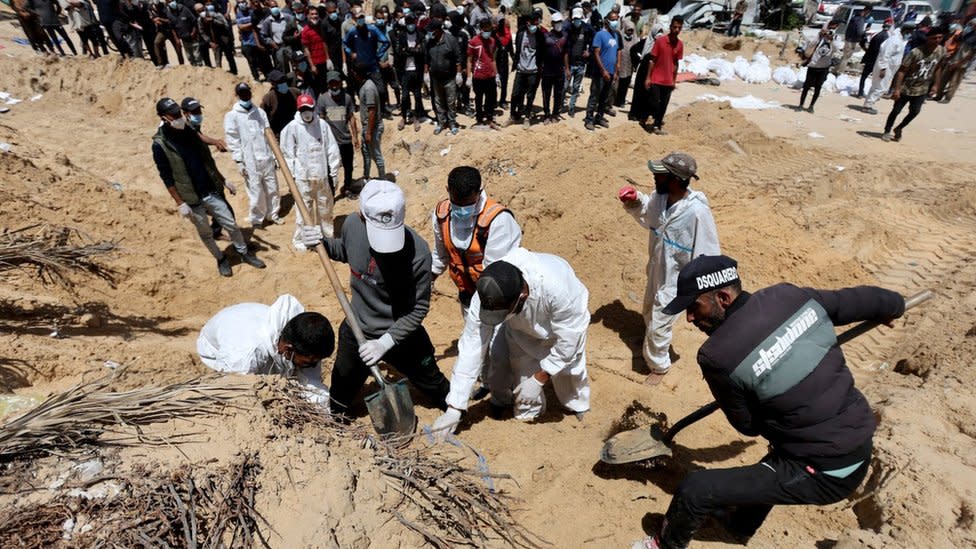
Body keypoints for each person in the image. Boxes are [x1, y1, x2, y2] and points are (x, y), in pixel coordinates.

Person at [631, 254, 906, 549]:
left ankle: (662, 545)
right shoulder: (790, 296)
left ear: (722, 297)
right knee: (773, 464)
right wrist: (893, 307)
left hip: (827, 471)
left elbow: (748, 426)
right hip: (860, 441)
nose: (689, 318)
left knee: (695, 489)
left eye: (694, 307)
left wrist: (754, 394)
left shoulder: (716, 356)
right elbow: (867, 300)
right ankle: (739, 525)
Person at [301, 180, 451, 418]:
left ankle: (454, 407)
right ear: (362, 216)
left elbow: (418, 309)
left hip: (400, 334)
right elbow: (346, 251)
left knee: (436, 385)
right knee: (340, 396)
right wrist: (320, 243)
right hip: (357, 328)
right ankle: (338, 420)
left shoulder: (418, 254)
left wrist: (386, 342)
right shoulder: (352, 225)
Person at [430, 248, 591, 436]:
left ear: (522, 296)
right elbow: (471, 348)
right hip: (521, 332)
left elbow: (569, 341)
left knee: (570, 371)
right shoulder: (486, 292)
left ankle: (577, 405)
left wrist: (540, 377)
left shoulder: (559, 289)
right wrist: (455, 406)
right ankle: (529, 417)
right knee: (523, 381)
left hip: (561, 329)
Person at [617, 152, 720, 384]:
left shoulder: (697, 213)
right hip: (657, 269)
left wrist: (700, 290)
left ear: (674, 179)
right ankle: (650, 343)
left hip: (678, 279)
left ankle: (659, 366)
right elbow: (648, 213)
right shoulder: (661, 198)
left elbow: (708, 252)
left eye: (659, 174)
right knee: (649, 308)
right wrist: (634, 200)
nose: (654, 176)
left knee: (661, 321)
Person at [151, 97, 266, 277]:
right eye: (173, 115)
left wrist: (222, 179)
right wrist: (180, 202)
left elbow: (206, 160)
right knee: (205, 233)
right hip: (190, 198)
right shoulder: (160, 144)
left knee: (231, 224)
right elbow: (166, 177)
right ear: (163, 117)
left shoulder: (187, 130)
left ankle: (243, 253)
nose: (178, 117)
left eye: (178, 113)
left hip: (209, 190)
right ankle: (221, 259)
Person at [197, 294, 333, 405]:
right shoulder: (244, 356)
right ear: (288, 349)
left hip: (250, 318)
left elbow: (313, 386)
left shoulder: (305, 339)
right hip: (217, 344)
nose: (314, 365)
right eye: (308, 363)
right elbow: (237, 391)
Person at [431, 166, 522, 310]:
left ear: (479, 192)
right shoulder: (442, 215)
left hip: (497, 300)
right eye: (457, 203)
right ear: (448, 190)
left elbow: (495, 272)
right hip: (467, 296)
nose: (462, 208)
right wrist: (427, 280)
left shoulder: (498, 220)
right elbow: (441, 255)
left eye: (468, 203)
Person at [280, 93, 341, 249]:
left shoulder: (322, 125)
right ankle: (302, 240)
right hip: (303, 179)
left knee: (325, 209)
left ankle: (327, 237)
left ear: (313, 108)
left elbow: (332, 149)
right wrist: (292, 177)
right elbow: (287, 155)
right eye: (303, 109)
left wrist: (334, 172)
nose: (306, 112)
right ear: (299, 110)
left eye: (309, 108)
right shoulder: (291, 128)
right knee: (304, 212)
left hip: (321, 177)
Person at [224, 82, 284, 228]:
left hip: (266, 157)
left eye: (247, 92)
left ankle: (273, 214)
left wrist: (275, 156)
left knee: (272, 188)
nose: (246, 95)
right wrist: (239, 161)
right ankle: (257, 218)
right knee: (256, 191)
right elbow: (233, 139)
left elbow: (268, 135)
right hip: (249, 161)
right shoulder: (233, 116)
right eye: (242, 93)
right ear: (238, 95)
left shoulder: (260, 113)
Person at [882, 25, 945, 142]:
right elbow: (901, 71)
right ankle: (887, 130)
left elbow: (938, 68)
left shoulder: (941, 51)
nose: (937, 40)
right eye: (934, 38)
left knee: (915, 112)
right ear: (928, 38)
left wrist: (936, 85)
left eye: (940, 38)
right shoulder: (915, 52)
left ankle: (899, 128)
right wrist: (896, 89)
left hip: (922, 88)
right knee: (896, 111)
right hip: (906, 87)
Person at [316, 71, 360, 198]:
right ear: (328, 85)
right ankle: (330, 193)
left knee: (348, 167)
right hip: (330, 143)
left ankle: (347, 188)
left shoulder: (347, 98)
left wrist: (355, 137)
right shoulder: (322, 99)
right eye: (332, 83)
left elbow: (351, 117)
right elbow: (321, 121)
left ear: (341, 83)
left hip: (345, 140)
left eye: (337, 83)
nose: (334, 86)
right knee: (330, 169)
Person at [641, 15, 683, 134]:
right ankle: (644, 118)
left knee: (663, 105)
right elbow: (652, 60)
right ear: (670, 27)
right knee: (653, 102)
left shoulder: (680, 45)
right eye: (674, 27)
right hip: (656, 79)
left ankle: (657, 125)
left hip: (668, 80)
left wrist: (674, 80)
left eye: (679, 28)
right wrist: (648, 77)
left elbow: (676, 63)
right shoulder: (660, 41)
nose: (676, 30)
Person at [584, 11, 621, 132]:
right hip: (600, 73)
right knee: (595, 96)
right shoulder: (600, 35)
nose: (615, 22)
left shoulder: (616, 35)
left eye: (617, 19)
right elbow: (596, 54)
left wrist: (615, 71)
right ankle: (589, 119)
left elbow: (617, 53)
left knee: (604, 98)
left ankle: (599, 117)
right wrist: (603, 71)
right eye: (613, 19)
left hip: (611, 72)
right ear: (607, 21)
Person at [507, 10, 545, 128]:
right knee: (515, 94)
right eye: (532, 23)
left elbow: (542, 53)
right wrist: (515, 62)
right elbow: (517, 50)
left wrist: (540, 67)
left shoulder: (540, 35)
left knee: (530, 95)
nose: (534, 26)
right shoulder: (521, 32)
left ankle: (527, 117)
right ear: (528, 22)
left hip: (533, 71)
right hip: (520, 69)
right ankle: (513, 116)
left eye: (536, 23)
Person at [425, 19, 462, 135]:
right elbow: (427, 60)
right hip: (435, 78)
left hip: (449, 77)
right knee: (438, 102)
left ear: (437, 30)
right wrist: (426, 73)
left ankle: (452, 123)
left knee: (451, 102)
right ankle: (441, 123)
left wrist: (459, 74)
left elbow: (458, 59)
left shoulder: (451, 40)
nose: (430, 33)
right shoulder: (430, 43)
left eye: (431, 31)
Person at [863, 22, 908, 114]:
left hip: (889, 68)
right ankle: (868, 106)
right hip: (885, 68)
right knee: (881, 88)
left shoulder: (898, 39)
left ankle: (868, 104)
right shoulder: (894, 40)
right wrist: (883, 68)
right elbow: (885, 55)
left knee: (877, 86)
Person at [394, 13, 427, 131]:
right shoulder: (401, 36)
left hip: (417, 70)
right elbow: (399, 51)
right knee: (405, 96)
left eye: (412, 23)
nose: (411, 25)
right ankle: (404, 117)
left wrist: (407, 50)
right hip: (404, 70)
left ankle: (416, 118)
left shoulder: (420, 35)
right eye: (409, 23)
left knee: (418, 96)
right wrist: (414, 50)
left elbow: (422, 51)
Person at [352, 64, 385, 179]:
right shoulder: (365, 85)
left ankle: (382, 179)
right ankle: (366, 177)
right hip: (368, 127)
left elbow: (372, 111)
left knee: (376, 155)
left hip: (373, 127)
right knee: (366, 153)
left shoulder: (368, 88)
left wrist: (369, 132)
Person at [468, 17, 500, 128]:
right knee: (479, 98)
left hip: (490, 75)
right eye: (485, 29)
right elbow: (469, 60)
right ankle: (479, 119)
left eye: (489, 29)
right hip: (478, 75)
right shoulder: (474, 41)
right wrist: (468, 76)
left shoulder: (492, 41)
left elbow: (493, 58)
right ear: (481, 29)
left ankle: (490, 117)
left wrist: (496, 74)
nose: (487, 31)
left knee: (490, 98)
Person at [799, 26, 835, 114]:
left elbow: (837, 47)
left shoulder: (833, 43)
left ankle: (811, 106)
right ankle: (801, 104)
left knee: (818, 88)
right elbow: (810, 45)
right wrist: (819, 36)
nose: (827, 35)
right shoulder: (819, 40)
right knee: (806, 87)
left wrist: (832, 39)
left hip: (824, 68)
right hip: (813, 67)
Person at [564, 7, 593, 117]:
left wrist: (589, 51)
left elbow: (595, 39)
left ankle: (571, 108)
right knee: (564, 86)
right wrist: (566, 67)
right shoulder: (568, 29)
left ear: (581, 18)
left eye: (578, 18)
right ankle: (560, 105)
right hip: (569, 64)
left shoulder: (587, 29)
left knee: (576, 88)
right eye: (574, 19)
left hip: (581, 64)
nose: (576, 21)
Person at [540, 11, 568, 124]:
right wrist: (540, 66)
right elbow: (541, 52)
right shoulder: (546, 36)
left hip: (559, 71)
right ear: (552, 23)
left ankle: (555, 114)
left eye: (560, 22)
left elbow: (566, 53)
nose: (558, 24)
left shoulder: (565, 37)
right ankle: (547, 114)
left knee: (558, 94)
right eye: (556, 22)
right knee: (546, 94)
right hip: (547, 71)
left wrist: (567, 68)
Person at [261, 69, 301, 138]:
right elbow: (262, 117)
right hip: (280, 134)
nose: (283, 83)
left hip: (298, 130)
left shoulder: (295, 92)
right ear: (273, 84)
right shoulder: (268, 99)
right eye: (280, 82)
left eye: (284, 81)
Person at [200, 3, 238, 74]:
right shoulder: (201, 19)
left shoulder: (219, 15)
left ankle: (234, 71)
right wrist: (209, 41)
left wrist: (214, 21)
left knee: (229, 56)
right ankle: (219, 73)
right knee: (217, 58)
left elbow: (225, 25)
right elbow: (202, 31)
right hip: (214, 41)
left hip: (224, 39)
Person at [857, 18, 891, 98]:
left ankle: (860, 93)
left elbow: (867, 45)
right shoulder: (886, 37)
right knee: (877, 80)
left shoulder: (876, 35)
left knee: (864, 77)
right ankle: (873, 95)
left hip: (870, 59)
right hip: (877, 61)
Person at [258, 4, 297, 73]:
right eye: (272, 7)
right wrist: (270, 42)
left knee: (295, 64)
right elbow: (263, 35)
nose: (274, 8)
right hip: (278, 47)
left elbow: (295, 23)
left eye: (275, 6)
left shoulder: (287, 17)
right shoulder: (267, 21)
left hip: (289, 45)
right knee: (283, 67)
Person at [300, 7, 330, 94]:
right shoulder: (305, 31)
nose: (315, 16)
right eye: (312, 14)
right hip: (316, 63)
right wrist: (312, 65)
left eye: (316, 14)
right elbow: (306, 50)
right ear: (307, 16)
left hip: (326, 61)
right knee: (319, 86)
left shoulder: (323, 26)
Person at [836, 5, 870, 75]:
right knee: (846, 57)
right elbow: (859, 32)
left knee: (844, 56)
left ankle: (838, 69)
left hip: (848, 39)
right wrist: (865, 31)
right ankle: (840, 72)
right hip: (852, 41)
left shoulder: (855, 17)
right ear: (867, 11)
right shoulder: (860, 19)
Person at [167, 0, 202, 66]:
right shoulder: (169, 14)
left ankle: (200, 68)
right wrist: (176, 39)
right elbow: (172, 28)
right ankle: (193, 68)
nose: (171, 3)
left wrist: (193, 32)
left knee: (197, 55)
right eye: (169, 2)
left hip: (192, 37)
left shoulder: (184, 9)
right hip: (184, 38)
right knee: (189, 56)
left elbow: (194, 21)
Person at [614, 18, 640, 108]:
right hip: (619, 63)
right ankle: (614, 99)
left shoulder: (634, 39)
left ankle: (621, 100)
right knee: (617, 83)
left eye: (631, 30)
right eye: (628, 30)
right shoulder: (619, 37)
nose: (630, 32)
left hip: (629, 65)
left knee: (625, 84)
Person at [494, 16, 515, 109]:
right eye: (499, 22)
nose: (501, 24)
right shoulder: (493, 35)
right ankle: (493, 101)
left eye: (502, 22)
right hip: (494, 63)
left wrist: (515, 62)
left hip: (504, 63)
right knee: (493, 84)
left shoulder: (508, 35)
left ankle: (503, 100)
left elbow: (511, 51)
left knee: (504, 83)